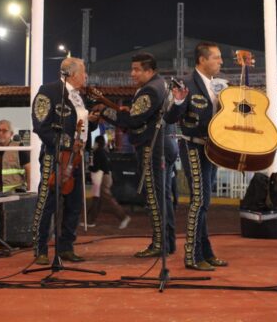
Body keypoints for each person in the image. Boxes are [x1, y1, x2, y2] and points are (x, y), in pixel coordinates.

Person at [99, 52, 176, 258]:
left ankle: (160, 243)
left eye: (137, 69)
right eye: (132, 69)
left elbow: (133, 120)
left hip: (153, 148)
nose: (132, 73)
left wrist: (105, 112)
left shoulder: (150, 89)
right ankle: (168, 242)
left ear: (149, 71)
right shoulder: (161, 85)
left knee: (155, 198)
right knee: (163, 196)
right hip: (163, 145)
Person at [165, 41, 228, 271]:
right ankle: (192, 254)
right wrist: (179, 100)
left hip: (213, 149)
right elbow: (170, 117)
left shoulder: (220, 85)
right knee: (198, 200)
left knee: (206, 202)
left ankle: (206, 251)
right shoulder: (185, 83)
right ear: (202, 60)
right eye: (217, 57)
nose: (221, 61)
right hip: (193, 147)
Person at [31, 57, 94, 265]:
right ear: (73, 74)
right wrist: (65, 144)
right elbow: (41, 125)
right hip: (54, 155)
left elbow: (80, 126)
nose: (86, 76)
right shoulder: (48, 91)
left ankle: (67, 246)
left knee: (74, 203)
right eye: (83, 72)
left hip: (77, 158)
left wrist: (90, 124)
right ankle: (40, 248)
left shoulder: (78, 97)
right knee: (47, 201)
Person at [87, 135, 131, 228]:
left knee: (107, 198)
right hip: (107, 177)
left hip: (102, 178)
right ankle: (90, 221)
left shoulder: (97, 152)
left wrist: (89, 166)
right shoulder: (105, 152)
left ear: (97, 143)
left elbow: (95, 168)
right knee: (97, 199)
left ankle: (123, 217)